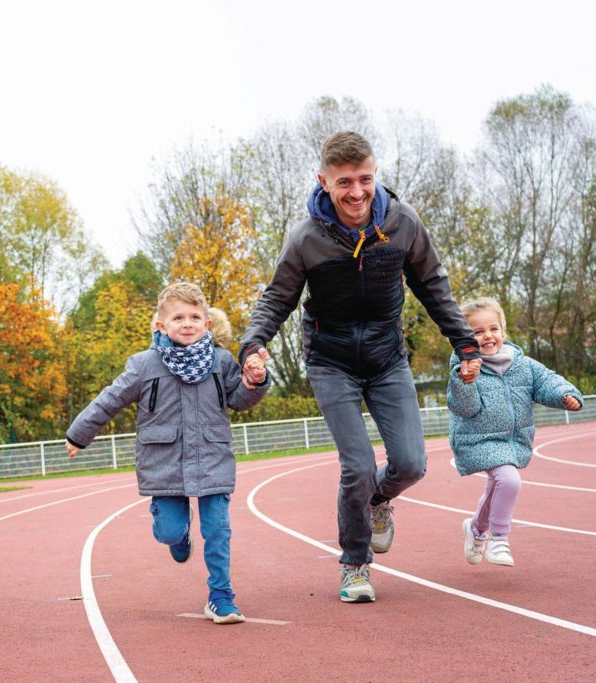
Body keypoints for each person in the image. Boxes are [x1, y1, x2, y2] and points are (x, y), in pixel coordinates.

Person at [237, 131, 482, 603]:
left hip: (387, 359)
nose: (356, 192)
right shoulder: (307, 238)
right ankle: (354, 563)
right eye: (344, 182)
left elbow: (433, 284)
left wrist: (464, 343)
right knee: (357, 466)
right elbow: (277, 298)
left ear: (376, 176)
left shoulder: (403, 223)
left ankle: (378, 502)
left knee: (410, 463)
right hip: (331, 362)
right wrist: (253, 344)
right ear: (324, 182)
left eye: (365, 179)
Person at [65, 282, 271, 624]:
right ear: (161, 326)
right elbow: (110, 399)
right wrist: (79, 433)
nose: (187, 323)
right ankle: (180, 534)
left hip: (212, 458)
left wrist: (255, 382)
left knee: (218, 530)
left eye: (195, 316)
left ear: (207, 323)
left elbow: (239, 400)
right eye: (178, 317)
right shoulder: (143, 365)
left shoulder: (220, 362)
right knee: (169, 532)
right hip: (163, 464)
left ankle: (221, 596)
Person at [447, 297, 582, 567]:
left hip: (513, 439)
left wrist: (565, 394)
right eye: (477, 331)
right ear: (465, 338)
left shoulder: (523, 364)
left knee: (498, 484)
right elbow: (464, 408)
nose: (487, 336)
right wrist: (465, 381)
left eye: (493, 328)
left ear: (502, 330)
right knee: (509, 481)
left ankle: (475, 530)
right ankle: (499, 538)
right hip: (478, 439)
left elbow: (547, 381)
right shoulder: (464, 368)